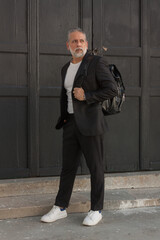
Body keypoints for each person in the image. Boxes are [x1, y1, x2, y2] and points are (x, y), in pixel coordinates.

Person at [41, 28, 117, 226]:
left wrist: (88, 96)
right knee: (68, 168)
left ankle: (96, 209)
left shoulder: (96, 63)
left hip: (91, 123)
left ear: (86, 43)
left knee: (96, 168)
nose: (78, 44)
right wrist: (65, 118)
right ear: (68, 45)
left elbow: (111, 89)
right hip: (70, 124)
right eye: (74, 41)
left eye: (82, 41)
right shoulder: (65, 68)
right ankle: (60, 207)